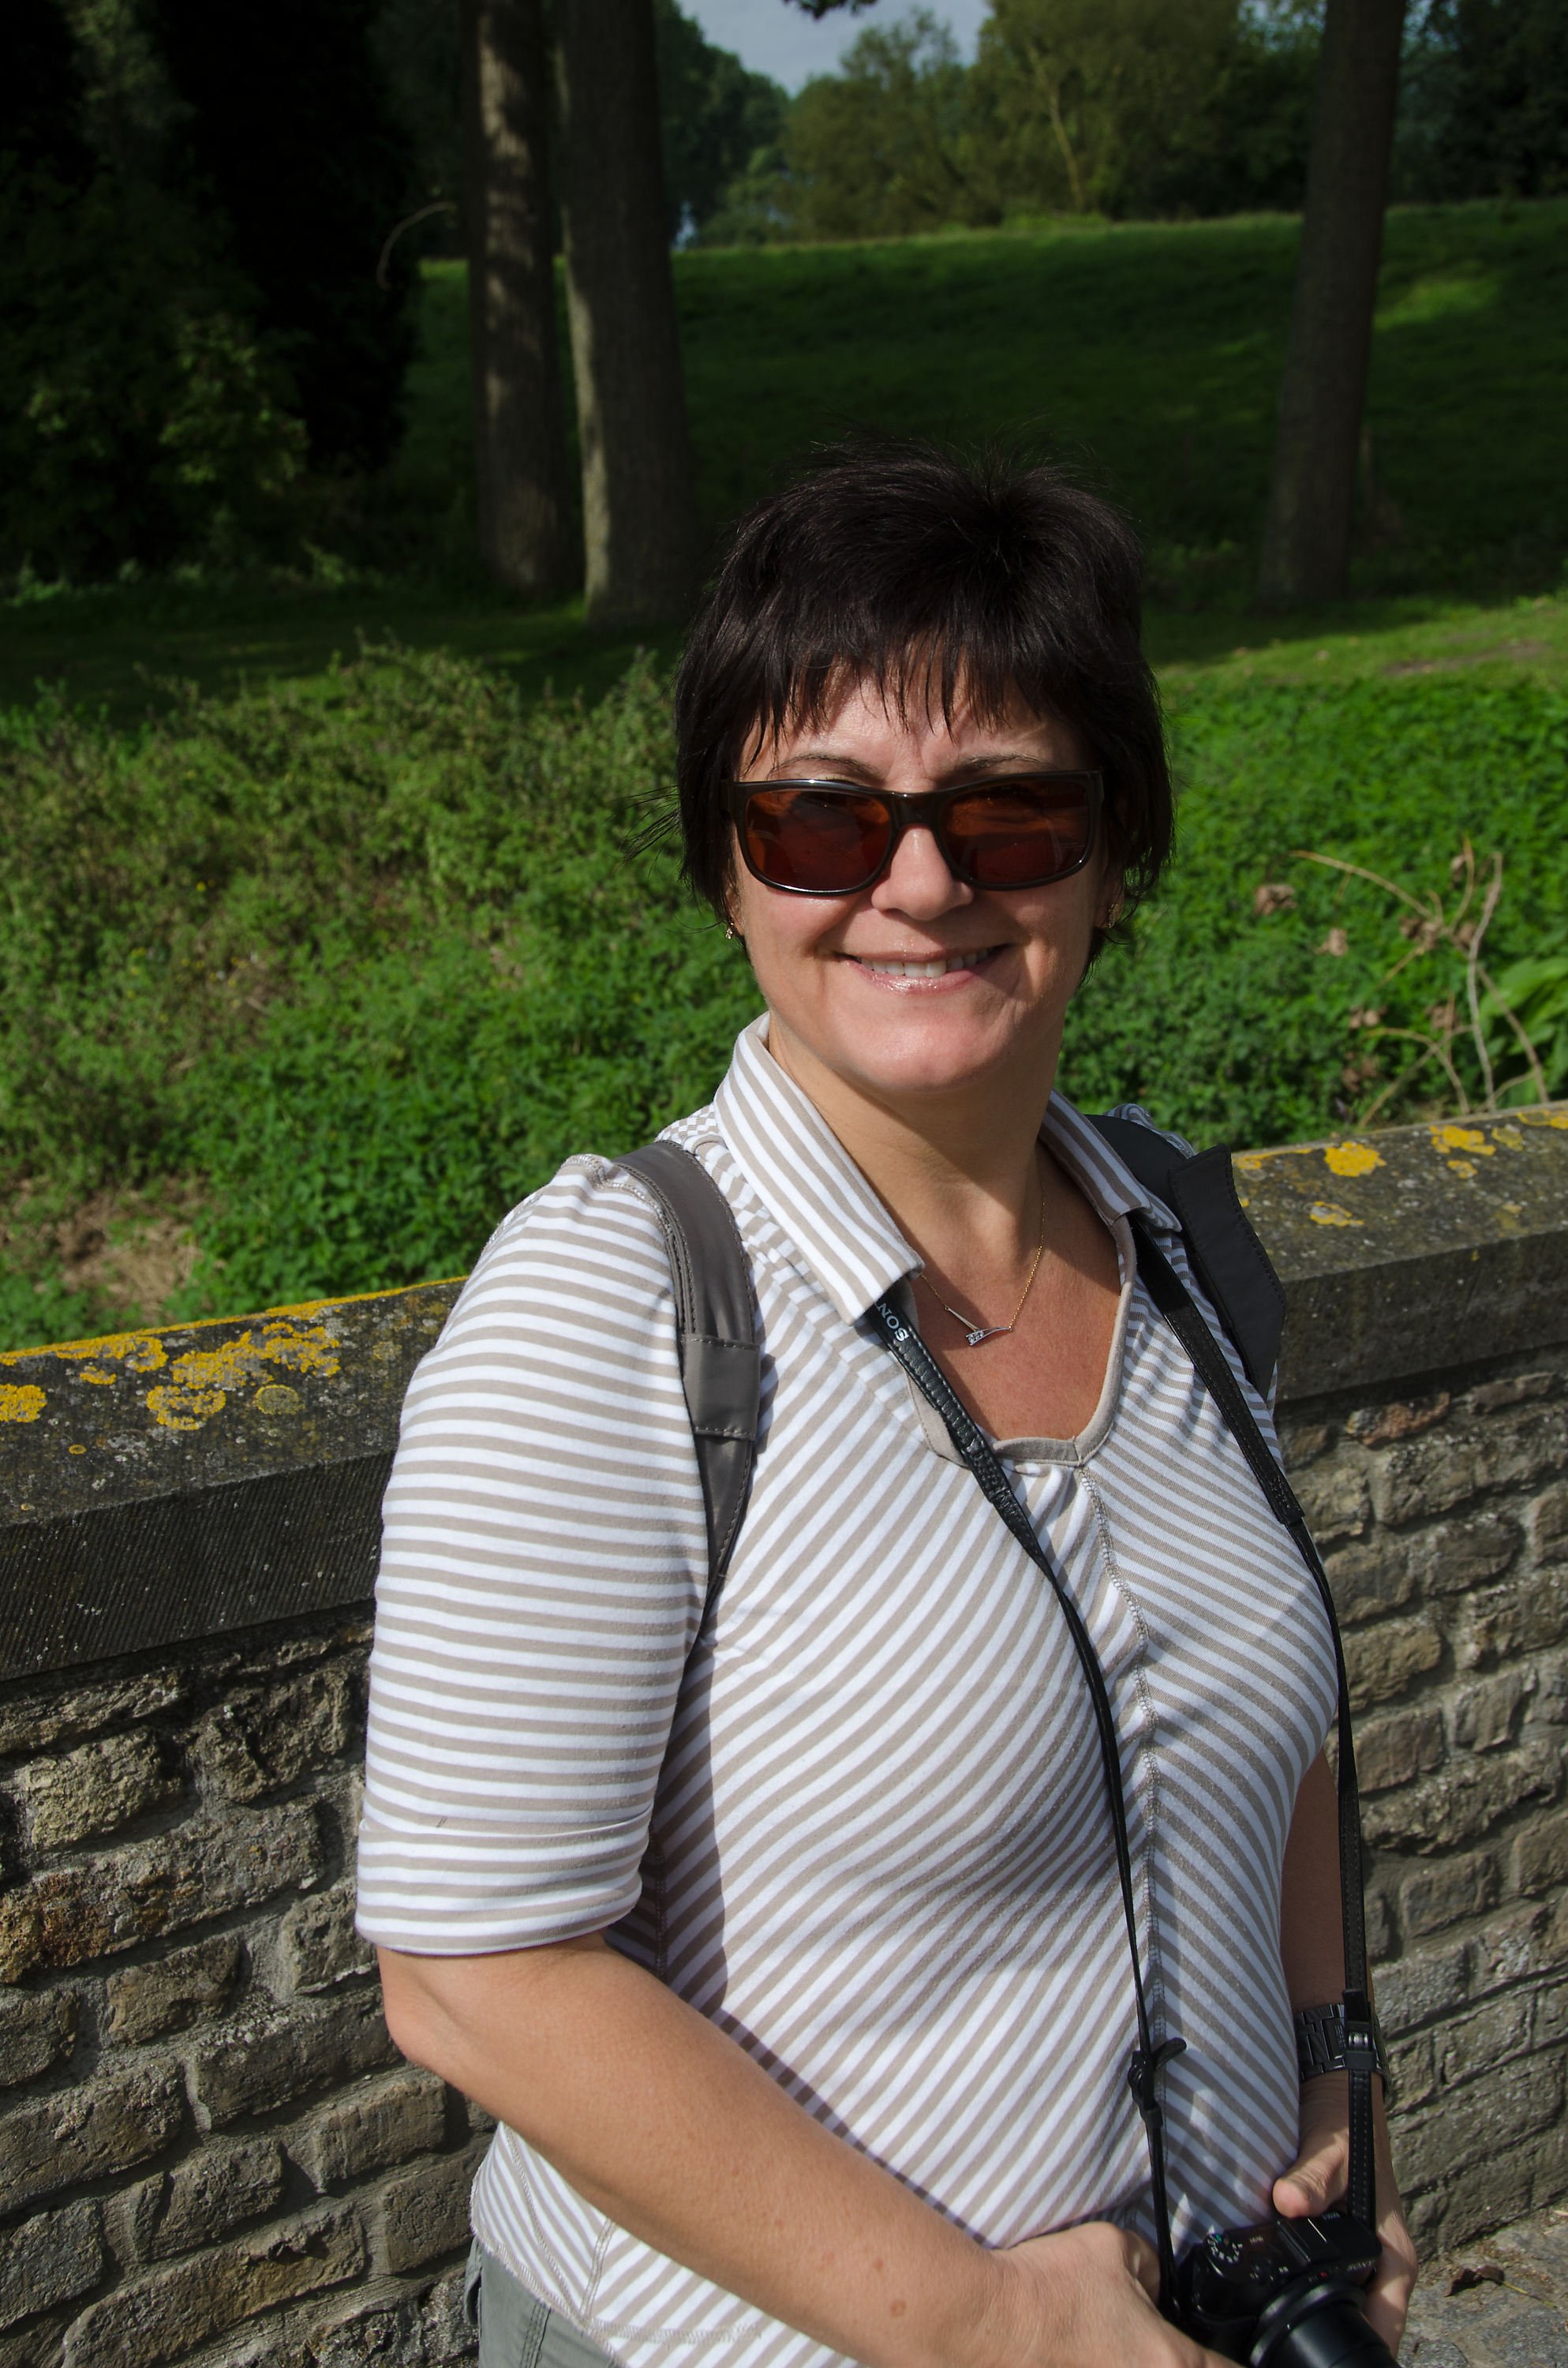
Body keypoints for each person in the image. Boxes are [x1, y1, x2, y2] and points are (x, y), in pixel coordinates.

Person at [356, 445, 1416, 2368]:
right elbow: (475, 1973)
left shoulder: (1176, 1233)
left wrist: (1336, 2086)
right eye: (819, 821)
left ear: (1112, 854)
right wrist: (996, 2324)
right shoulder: (614, 1304)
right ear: (727, 867)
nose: (918, 884)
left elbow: (1276, 1726)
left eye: (1010, 812)